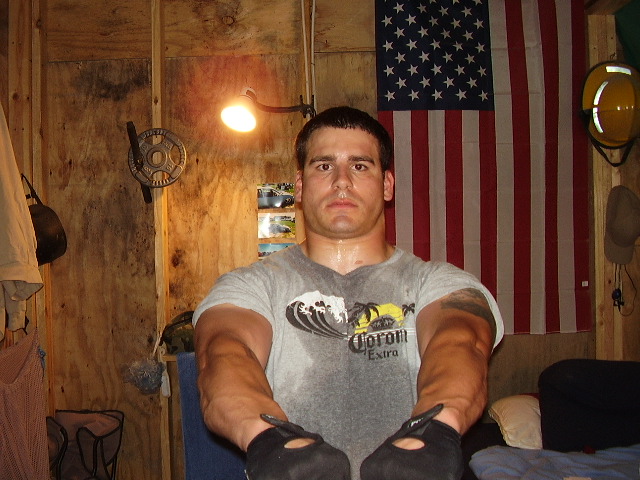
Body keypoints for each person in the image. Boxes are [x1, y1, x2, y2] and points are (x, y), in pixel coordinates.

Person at [193, 106, 504, 480]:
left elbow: (460, 343)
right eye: (324, 166)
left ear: (387, 185)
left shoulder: (436, 282)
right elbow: (224, 353)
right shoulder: (251, 286)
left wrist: (434, 432)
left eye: (360, 166)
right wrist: (269, 440)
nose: (341, 181)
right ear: (300, 186)